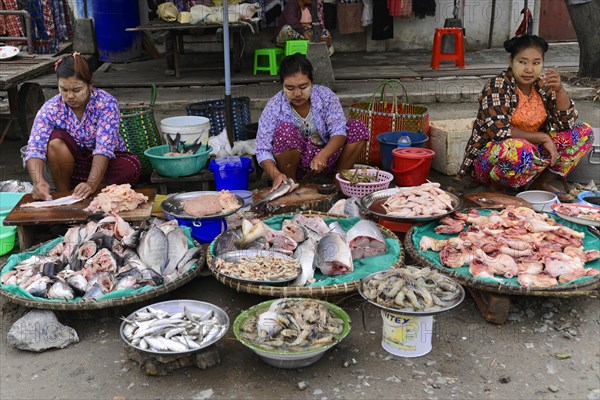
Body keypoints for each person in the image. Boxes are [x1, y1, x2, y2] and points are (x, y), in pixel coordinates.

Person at [457, 35, 594, 202]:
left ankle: (539, 184)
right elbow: (500, 131)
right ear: (511, 61)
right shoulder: (497, 86)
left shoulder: (542, 87)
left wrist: (559, 90)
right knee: (520, 148)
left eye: (536, 63)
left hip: (530, 156)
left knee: (583, 132)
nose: (529, 69)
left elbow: (566, 124)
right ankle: (497, 188)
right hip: (491, 161)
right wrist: (543, 137)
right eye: (522, 62)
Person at [24, 53, 141, 201]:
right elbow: (35, 148)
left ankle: (92, 190)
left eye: (76, 90)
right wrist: (38, 182)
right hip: (73, 166)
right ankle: (64, 194)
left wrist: (91, 183)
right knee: (55, 141)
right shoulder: (51, 108)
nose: (69, 96)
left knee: (129, 168)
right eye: (64, 90)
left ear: (90, 84)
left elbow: (103, 149)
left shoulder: (105, 103)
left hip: (104, 164)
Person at [256, 54, 368, 190]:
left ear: (312, 82)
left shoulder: (326, 96)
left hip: (327, 159)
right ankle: (292, 185)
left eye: (303, 86)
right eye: (290, 88)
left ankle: (337, 182)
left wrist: (323, 155)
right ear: (282, 85)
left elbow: (339, 130)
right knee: (285, 131)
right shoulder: (274, 106)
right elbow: (262, 149)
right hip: (294, 164)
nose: (297, 94)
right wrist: (275, 174)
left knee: (358, 127)